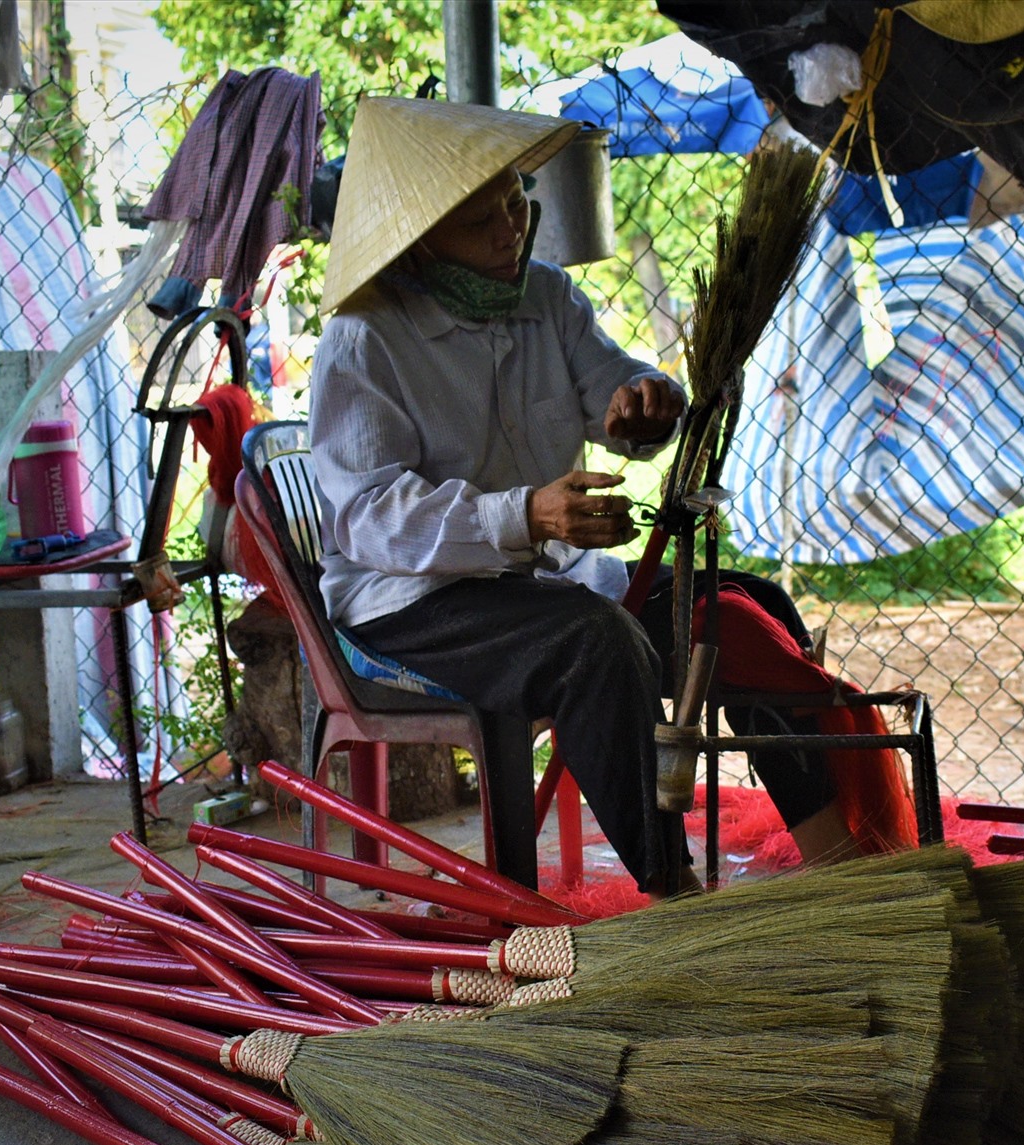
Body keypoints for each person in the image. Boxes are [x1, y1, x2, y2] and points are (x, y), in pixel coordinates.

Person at [305, 98, 861, 895]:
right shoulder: (365, 337)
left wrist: (645, 403)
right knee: (598, 645)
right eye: (481, 222)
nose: (511, 228)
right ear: (421, 241)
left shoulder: (547, 298)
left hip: (538, 582)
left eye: (514, 201)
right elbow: (368, 518)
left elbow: (617, 389)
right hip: (413, 598)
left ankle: (839, 864)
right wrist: (526, 514)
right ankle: (671, 893)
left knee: (745, 609)